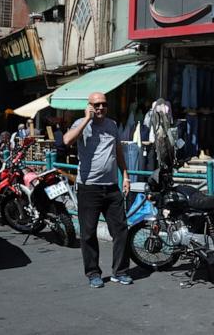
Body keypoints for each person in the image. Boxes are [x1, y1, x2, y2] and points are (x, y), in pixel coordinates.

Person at [63, 92, 132, 288]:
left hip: (111, 187)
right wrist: (86, 119)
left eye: (103, 104)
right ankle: (93, 273)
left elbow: (117, 151)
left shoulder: (112, 125)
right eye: (96, 105)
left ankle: (120, 271)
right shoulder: (81, 123)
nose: (100, 108)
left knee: (121, 230)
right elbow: (67, 140)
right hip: (88, 187)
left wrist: (125, 175)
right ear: (89, 106)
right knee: (88, 233)